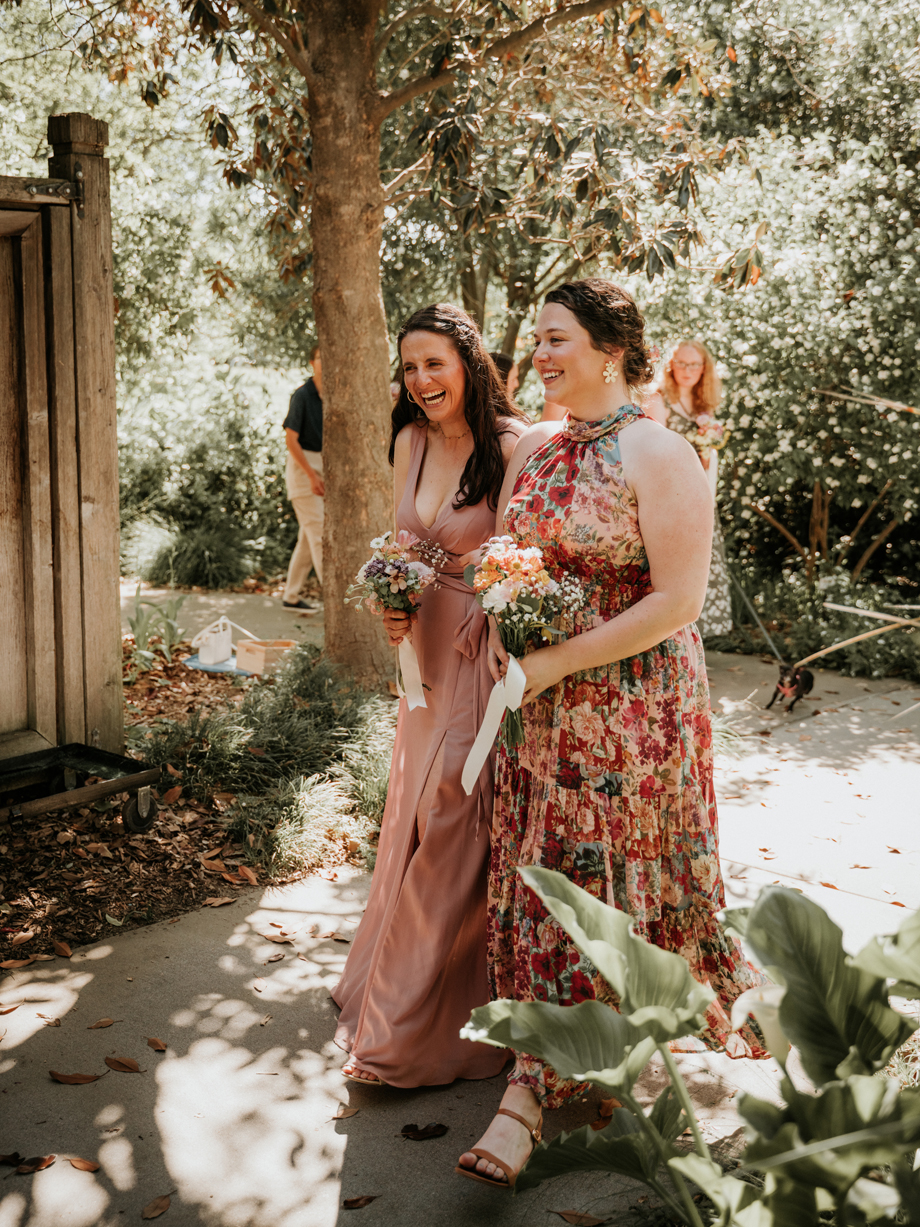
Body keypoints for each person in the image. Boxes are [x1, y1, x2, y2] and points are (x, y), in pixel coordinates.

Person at [457, 280, 766, 1189]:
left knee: (607, 875)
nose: (539, 354)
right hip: (538, 707)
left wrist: (561, 658)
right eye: (538, 338)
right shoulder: (534, 448)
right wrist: (502, 622)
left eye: (557, 339)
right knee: (543, 876)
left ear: (611, 350)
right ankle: (554, 1056)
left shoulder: (661, 451)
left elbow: (679, 600)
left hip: (632, 711)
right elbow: (507, 560)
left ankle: (533, 1091)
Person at [332, 304, 529, 1088]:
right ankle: (388, 989)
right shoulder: (408, 441)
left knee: (453, 810)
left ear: (469, 361)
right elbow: (402, 544)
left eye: (434, 364)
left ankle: (403, 1032)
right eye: (409, 367)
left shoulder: (513, 445)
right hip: (422, 652)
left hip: (481, 648)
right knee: (414, 811)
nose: (420, 380)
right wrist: (391, 601)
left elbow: (524, 559)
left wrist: (504, 625)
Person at [646, 341, 732, 638]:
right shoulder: (659, 400)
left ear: (704, 368)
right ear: (671, 365)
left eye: (694, 364)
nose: (687, 370)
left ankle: (698, 640)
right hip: (672, 496)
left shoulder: (702, 405)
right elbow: (654, 451)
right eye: (681, 363)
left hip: (700, 493)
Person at [282, 344, 324, 610]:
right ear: (311, 362)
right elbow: (291, 440)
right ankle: (336, 600)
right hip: (302, 469)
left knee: (308, 540)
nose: (325, 362)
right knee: (319, 536)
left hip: (322, 466)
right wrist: (311, 475)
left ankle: (291, 596)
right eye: (320, 358)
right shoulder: (302, 395)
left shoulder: (331, 395)